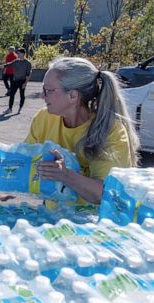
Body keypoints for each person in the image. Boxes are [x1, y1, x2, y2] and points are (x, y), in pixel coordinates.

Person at [27, 57, 139, 205]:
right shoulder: (43, 118)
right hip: (53, 221)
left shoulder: (111, 130)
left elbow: (107, 194)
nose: (42, 96)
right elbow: (27, 158)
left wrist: (65, 175)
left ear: (73, 95)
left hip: (93, 225)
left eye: (48, 90)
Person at [2, 47, 32, 114]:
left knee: (22, 95)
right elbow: (7, 65)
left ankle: (20, 109)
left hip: (22, 81)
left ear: (23, 53)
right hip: (15, 81)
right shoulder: (16, 61)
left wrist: (25, 83)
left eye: (19, 53)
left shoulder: (27, 63)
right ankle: (10, 109)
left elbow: (28, 74)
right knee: (12, 94)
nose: (17, 54)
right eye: (17, 53)